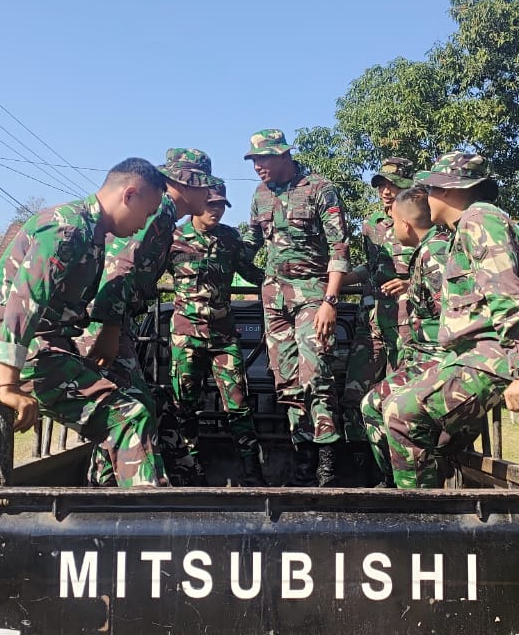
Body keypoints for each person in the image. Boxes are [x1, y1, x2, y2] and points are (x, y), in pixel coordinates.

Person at [0, 157, 170, 488]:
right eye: (147, 213)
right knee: (127, 415)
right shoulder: (67, 229)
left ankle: (106, 502)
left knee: (138, 400)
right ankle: (147, 517)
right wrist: (8, 387)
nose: (145, 223)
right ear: (130, 194)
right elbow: (23, 307)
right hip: (24, 358)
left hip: (50, 352)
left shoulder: (93, 234)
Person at [380, 153, 519, 489]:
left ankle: (421, 521)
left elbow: (507, 292)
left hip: (498, 355)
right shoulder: (466, 226)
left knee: (400, 415)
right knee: (393, 407)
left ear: (447, 190)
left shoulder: (480, 220)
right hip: (475, 353)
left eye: (430, 189)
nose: (426, 197)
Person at [79, 148, 218, 485]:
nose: (210, 195)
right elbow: (121, 266)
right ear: (185, 184)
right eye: (204, 186)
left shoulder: (165, 216)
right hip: (103, 323)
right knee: (122, 405)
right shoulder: (158, 214)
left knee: (137, 402)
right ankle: (104, 490)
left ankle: (108, 484)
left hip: (113, 319)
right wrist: (110, 329)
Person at [243, 128, 350, 487]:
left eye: (264, 159)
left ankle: (328, 464)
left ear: (284, 156)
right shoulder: (260, 196)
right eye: (254, 160)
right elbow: (250, 243)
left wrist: (330, 302)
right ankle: (304, 460)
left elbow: (339, 249)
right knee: (286, 382)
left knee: (316, 375)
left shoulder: (320, 188)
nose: (258, 166)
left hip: (313, 296)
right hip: (274, 300)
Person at [166, 181, 268, 486]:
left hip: (223, 337)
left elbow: (251, 272)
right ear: (198, 206)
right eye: (212, 205)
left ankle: (252, 472)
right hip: (186, 336)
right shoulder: (174, 238)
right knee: (185, 405)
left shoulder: (229, 238)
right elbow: (147, 271)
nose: (217, 211)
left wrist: (285, 284)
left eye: (222, 205)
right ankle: (191, 468)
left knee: (238, 404)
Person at [360, 186, 451, 485]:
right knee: (371, 404)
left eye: (395, 221)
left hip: (441, 358)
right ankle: (395, 481)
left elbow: (448, 310)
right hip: (423, 357)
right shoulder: (425, 251)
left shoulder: (435, 251)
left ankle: (417, 491)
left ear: (406, 224)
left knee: (393, 410)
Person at [341, 157, 416, 480]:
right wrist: (337, 279)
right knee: (353, 394)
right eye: (381, 185)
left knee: (400, 398)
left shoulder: (422, 220)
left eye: (393, 184)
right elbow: (368, 269)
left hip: (405, 323)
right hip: (369, 322)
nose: (386, 191)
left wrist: (411, 284)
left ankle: (396, 471)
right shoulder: (371, 224)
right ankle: (363, 466)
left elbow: (439, 267)